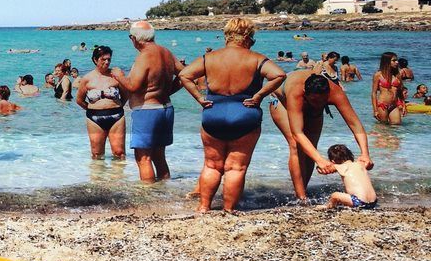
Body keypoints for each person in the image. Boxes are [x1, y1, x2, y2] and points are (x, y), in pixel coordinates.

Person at [178, 18, 286, 211]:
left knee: (211, 165)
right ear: (247, 37)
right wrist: (259, 95)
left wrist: (199, 98)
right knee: (236, 167)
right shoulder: (256, 58)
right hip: (245, 113)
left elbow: (184, 75)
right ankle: (229, 210)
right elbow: (279, 75)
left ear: (227, 35)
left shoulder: (209, 58)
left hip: (213, 113)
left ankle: (204, 207)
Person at [269, 71, 372, 201]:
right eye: (314, 100)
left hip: (311, 105)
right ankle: (301, 198)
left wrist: (365, 154)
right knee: (296, 145)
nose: (318, 104)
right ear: (305, 93)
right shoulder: (296, 91)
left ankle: (303, 189)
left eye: (322, 101)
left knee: (311, 147)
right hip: (281, 102)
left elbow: (355, 124)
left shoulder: (336, 92)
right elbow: (297, 133)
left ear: (328, 94)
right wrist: (320, 160)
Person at [114, 21, 182, 183]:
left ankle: (149, 197)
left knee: (143, 158)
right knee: (159, 157)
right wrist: (168, 90)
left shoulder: (144, 56)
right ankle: (164, 193)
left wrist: (118, 76)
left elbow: (133, 86)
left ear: (134, 38)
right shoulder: (166, 52)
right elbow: (185, 74)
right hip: (166, 108)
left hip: (147, 111)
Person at [75, 45, 127, 160]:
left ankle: (119, 178)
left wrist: (117, 106)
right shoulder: (87, 78)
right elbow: (79, 100)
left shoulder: (116, 75)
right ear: (95, 60)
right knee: (97, 154)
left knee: (119, 153)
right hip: (94, 118)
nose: (107, 62)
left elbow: (126, 94)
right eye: (103, 59)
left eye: (109, 59)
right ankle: (98, 178)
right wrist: (92, 108)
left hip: (116, 117)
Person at [324, 145, 377, 210]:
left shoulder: (340, 167)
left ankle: (328, 207)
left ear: (333, 161)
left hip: (360, 202)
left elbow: (325, 169)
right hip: (373, 202)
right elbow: (370, 164)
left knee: (335, 195)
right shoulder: (361, 164)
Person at [371, 52, 406, 125]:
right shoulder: (378, 75)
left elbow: (400, 91)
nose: (397, 62)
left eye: (397, 60)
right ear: (387, 62)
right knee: (383, 127)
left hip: (394, 105)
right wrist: (375, 110)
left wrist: (403, 105)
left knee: (397, 125)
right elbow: (374, 93)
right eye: (394, 60)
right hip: (382, 105)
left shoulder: (398, 74)